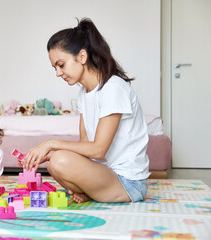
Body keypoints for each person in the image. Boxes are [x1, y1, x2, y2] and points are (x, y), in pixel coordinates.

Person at [21, 18, 150, 203]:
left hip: (128, 183)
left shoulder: (113, 88)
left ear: (82, 57)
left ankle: (87, 192)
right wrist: (40, 155)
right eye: (55, 67)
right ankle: (85, 192)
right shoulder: (84, 93)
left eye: (61, 64)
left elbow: (98, 150)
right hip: (103, 175)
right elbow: (84, 144)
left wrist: (50, 143)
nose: (58, 73)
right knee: (53, 161)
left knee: (59, 160)